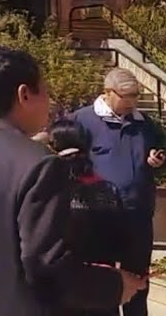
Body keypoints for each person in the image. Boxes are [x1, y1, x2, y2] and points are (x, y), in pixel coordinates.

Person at [0, 48, 146, 316]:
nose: (49, 103)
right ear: (25, 94)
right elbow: (47, 265)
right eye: (45, 93)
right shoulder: (39, 164)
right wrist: (115, 286)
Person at [73, 68, 166, 316]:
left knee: (138, 281)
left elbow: (164, 152)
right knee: (103, 281)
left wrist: (159, 160)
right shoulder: (82, 120)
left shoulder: (144, 124)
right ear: (107, 92)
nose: (131, 103)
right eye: (125, 97)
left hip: (137, 214)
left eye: (134, 97)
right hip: (98, 216)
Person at [46, 120, 126, 316]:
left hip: (62, 286)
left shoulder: (49, 190)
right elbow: (122, 239)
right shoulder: (108, 190)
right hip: (103, 286)